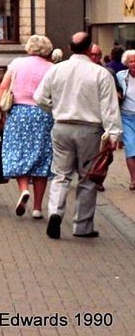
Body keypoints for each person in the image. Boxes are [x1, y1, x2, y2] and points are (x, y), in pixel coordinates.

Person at [33, 31, 122, 239]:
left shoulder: (56, 70)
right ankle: (82, 226)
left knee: (60, 174)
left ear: (70, 48)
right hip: (90, 129)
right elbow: (109, 107)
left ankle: (55, 211)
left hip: (61, 126)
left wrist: (53, 109)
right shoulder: (100, 74)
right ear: (90, 48)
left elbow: (39, 97)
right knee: (88, 178)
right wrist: (113, 134)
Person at [0, 35, 55, 219]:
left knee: (17, 151)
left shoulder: (17, 63)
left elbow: (3, 89)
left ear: (29, 48)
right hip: (43, 114)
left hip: (18, 113)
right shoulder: (52, 68)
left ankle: (23, 190)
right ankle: (37, 208)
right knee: (42, 157)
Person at [116, 50, 135, 190]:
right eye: (131, 61)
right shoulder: (121, 76)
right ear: (126, 63)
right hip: (126, 117)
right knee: (130, 148)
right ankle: (133, 180)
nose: (134, 64)